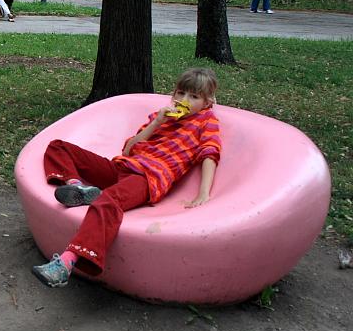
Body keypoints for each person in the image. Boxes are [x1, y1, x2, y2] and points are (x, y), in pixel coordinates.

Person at [32, 68, 222, 288]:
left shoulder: (206, 121)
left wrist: (203, 193)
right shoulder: (161, 117)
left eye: (194, 97)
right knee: (58, 147)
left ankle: (66, 263)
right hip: (122, 167)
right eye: (180, 93)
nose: (184, 100)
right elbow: (128, 150)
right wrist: (156, 123)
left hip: (148, 178)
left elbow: (210, 153)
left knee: (108, 200)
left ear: (208, 102)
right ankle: (77, 187)